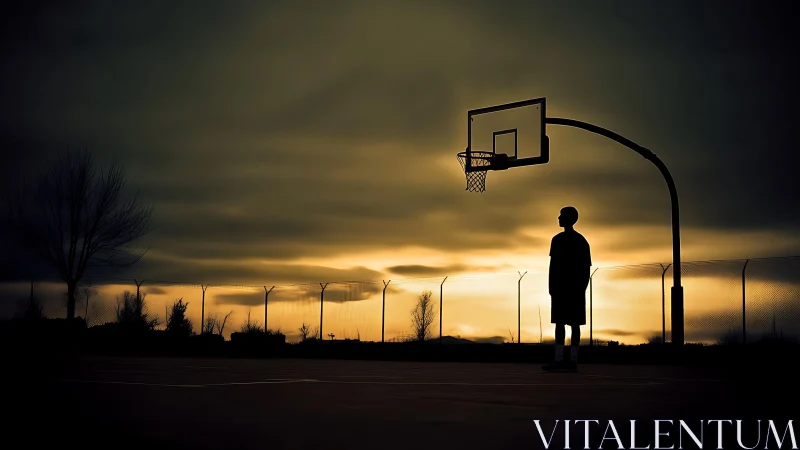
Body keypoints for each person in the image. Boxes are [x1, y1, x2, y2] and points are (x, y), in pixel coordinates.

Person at [543, 206, 591, 372]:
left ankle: (569, 360)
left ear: (569, 219)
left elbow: (585, 269)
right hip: (564, 289)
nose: (558, 218)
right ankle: (566, 360)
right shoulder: (565, 240)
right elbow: (553, 266)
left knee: (568, 324)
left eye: (561, 216)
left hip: (570, 289)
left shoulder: (576, 241)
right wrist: (552, 287)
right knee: (564, 323)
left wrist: (581, 288)